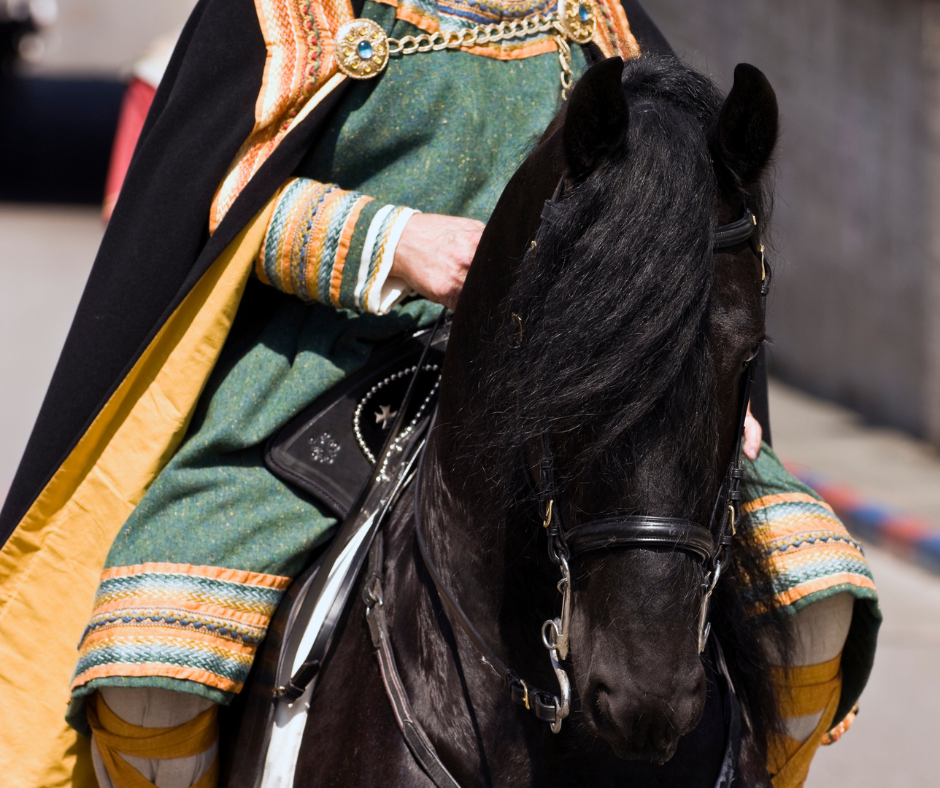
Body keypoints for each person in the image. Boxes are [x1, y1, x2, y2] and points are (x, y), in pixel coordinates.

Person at [0, 1, 878, 787]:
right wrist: (392, 241)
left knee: (820, 598)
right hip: (326, 368)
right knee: (152, 667)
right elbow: (214, 194)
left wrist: (691, 381)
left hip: (580, 380)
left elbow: (688, 214)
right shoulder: (282, 10)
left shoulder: (595, 13)